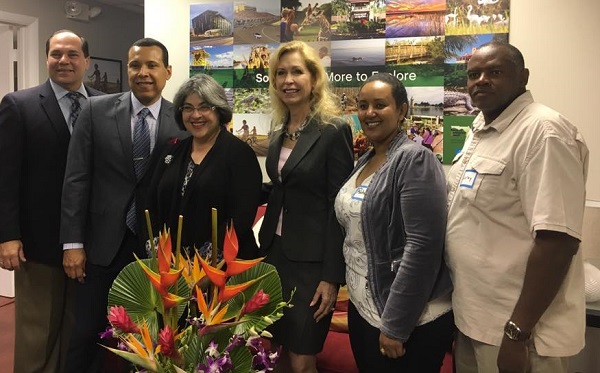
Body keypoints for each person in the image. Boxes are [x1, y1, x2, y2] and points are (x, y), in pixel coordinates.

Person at [445, 41, 589, 373]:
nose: (480, 80)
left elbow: (558, 242)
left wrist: (517, 333)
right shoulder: (483, 129)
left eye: (494, 72)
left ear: (522, 77)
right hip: (475, 320)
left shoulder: (544, 132)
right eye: (473, 74)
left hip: (518, 332)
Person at [60, 38, 185, 373]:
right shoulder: (94, 111)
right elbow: (76, 179)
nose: (143, 73)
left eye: (152, 65)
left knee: (149, 339)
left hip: (156, 249)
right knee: (86, 333)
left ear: (167, 72)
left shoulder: (184, 120)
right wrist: (72, 244)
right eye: (135, 65)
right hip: (101, 243)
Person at [334, 73, 454, 372]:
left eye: (380, 105)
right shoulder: (368, 158)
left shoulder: (414, 159)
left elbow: (422, 248)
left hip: (406, 317)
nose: (369, 113)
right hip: (365, 307)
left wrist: (397, 325)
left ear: (402, 110)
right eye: (363, 105)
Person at [0, 29, 102, 373]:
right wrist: (7, 235)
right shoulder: (19, 105)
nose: (64, 61)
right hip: (38, 244)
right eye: (56, 54)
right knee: (36, 334)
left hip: (91, 244)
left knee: (76, 333)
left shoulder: (104, 105)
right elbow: (6, 176)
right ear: (47, 59)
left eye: (73, 54)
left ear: (86, 61)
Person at [258, 40, 354, 373]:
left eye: (297, 71)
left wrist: (331, 277)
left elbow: (337, 206)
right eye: (280, 73)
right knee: (279, 350)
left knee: (302, 359)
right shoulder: (278, 129)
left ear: (313, 78)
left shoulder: (333, 130)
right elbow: (282, 186)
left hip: (312, 264)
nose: (288, 80)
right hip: (274, 256)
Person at [147, 74, 262, 260]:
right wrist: (159, 252)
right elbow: (151, 204)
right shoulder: (172, 151)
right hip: (171, 267)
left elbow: (240, 218)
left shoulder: (240, 154)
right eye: (188, 108)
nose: (196, 115)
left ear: (219, 110)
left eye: (204, 107)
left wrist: (205, 263)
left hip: (224, 270)